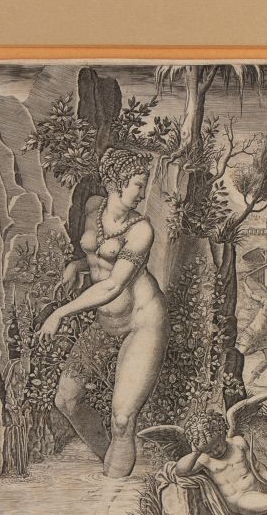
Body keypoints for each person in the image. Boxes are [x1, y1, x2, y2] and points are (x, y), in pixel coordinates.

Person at [39, 148, 169, 478]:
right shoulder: (93, 207)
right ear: (116, 183)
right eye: (138, 185)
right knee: (66, 400)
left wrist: (60, 313)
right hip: (106, 323)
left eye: (143, 186)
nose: (142, 193)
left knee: (123, 420)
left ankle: (113, 489)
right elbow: (98, 256)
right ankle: (112, 465)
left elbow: (112, 285)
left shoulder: (141, 230)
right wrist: (77, 265)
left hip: (143, 323)